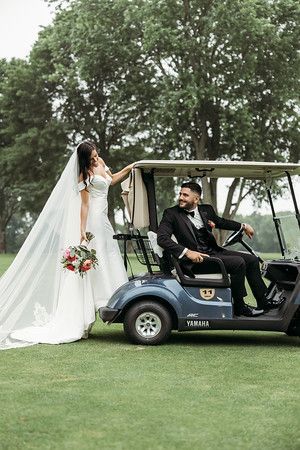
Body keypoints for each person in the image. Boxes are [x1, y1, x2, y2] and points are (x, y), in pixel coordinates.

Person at [0, 140, 133, 350]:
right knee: (95, 264)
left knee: (108, 257)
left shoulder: (102, 163)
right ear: (84, 160)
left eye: (96, 155)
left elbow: (112, 180)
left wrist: (128, 168)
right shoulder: (83, 175)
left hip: (104, 219)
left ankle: (113, 301)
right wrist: (82, 229)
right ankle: (87, 312)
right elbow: (85, 204)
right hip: (92, 221)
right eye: (92, 158)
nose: (96, 159)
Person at [157, 181, 276, 317]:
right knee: (238, 263)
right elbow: (162, 238)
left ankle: (263, 301)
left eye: (185, 195)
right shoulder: (171, 214)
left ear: (196, 199)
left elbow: (221, 222)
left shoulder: (206, 210)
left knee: (252, 259)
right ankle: (239, 307)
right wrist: (187, 252)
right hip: (196, 261)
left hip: (213, 252)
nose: (181, 197)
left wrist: (242, 226)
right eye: (180, 194)